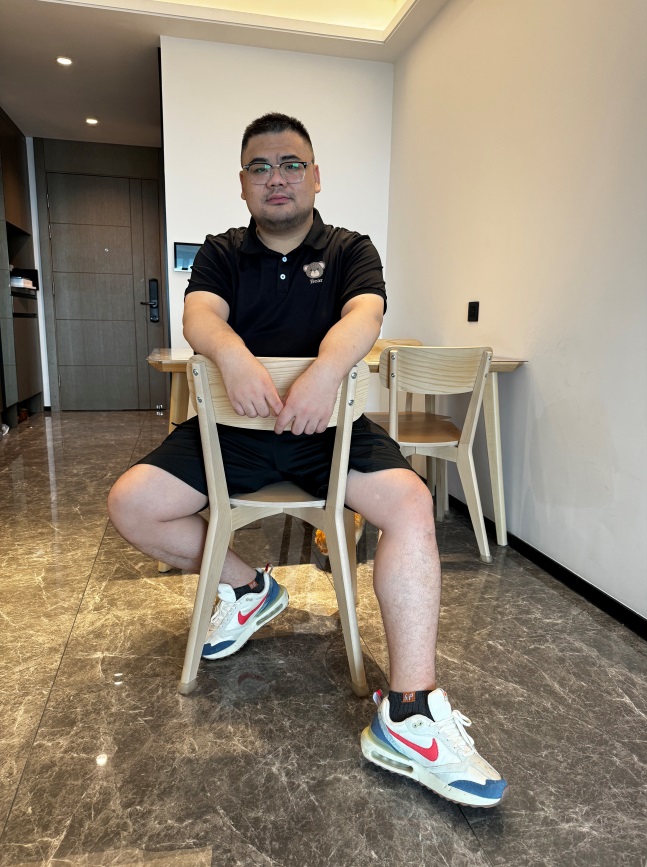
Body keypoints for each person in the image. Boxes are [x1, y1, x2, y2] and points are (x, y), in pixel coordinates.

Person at [108, 113, 508, 809]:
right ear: (242, 184)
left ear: (315, 176)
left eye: (291, 163)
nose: (277, 177)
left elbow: (364, 316)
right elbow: (200, 317)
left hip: (331, 433)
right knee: (131, 503)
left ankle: (410, 712)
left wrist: (326, 371)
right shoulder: (221, 252)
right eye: (260, 167)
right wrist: (232, 355)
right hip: (234, 434)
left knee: (412, 504)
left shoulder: (351, 248)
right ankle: (248, 588)